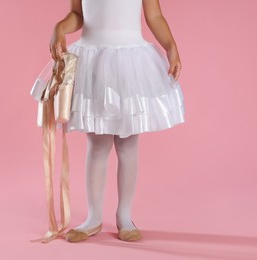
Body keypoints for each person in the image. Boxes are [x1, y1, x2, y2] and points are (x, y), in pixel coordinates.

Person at [49, 0, 185, 242]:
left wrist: (170, 46)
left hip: (129, 62)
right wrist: (59, 27)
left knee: (128, 143)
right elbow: (77, 15)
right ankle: (94, 217)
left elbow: (154, 16)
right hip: (93, 59)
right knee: (98, 144)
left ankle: (125, 216)